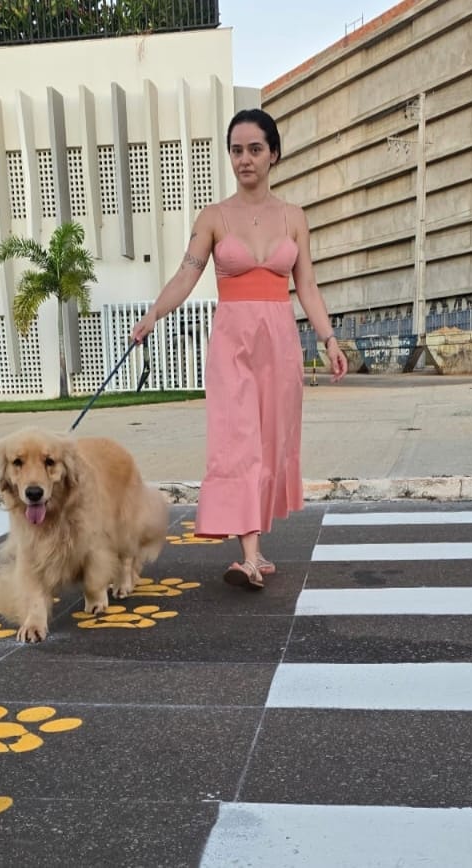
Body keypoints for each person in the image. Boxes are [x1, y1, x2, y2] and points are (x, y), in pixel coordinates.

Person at [131, 108, 347, 591]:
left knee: (270, 442)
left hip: (279, 344)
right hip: (232, 343)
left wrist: (329, 338)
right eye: (236, 150)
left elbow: (306, 285)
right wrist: (151, 317)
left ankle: (256, 546)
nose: (244, 159)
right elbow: (187, 274)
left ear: (273, 154)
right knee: (238, 441)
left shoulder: (294, 218)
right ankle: (249, 558)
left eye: (254, 149)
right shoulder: (213, 216)